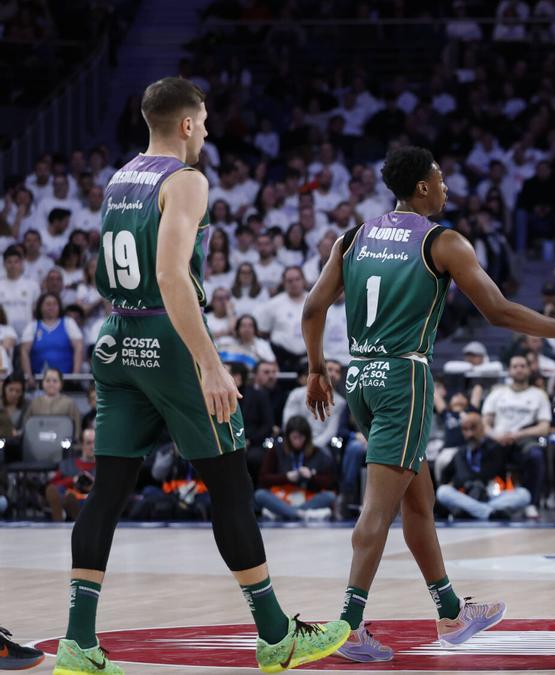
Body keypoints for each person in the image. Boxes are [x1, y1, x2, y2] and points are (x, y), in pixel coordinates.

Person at [55, 77, 349, 675]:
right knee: (231, 487)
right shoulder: (186, 180)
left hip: (117, 336)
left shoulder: (120, 179)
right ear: (187, 124)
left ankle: (77, 644)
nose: (209, 131)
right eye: (206, 121)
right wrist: (209, 363)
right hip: (169, 340)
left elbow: (105, 268)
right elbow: (169, 275)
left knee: (108, 490)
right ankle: (275, 637)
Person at [300, 145, 555, 662]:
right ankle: (349, 625)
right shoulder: (441, 241)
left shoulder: (353, 236)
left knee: (418, 500)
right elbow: (497, 312)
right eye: (441, 178)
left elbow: (313, 308)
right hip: (404, 376)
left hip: (359, 376)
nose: (447, 187)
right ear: (423, 186)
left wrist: (317, 369)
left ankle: (450, 611)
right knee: (378, 507)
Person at [480, 355, 552, 516]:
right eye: (515, 366)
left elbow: (544, 427)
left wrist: (518, 434)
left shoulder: (538, 395)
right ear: (509, 371)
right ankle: (487, 499)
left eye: (522, 366)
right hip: (498, 438)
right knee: (485, 451)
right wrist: (495, 435)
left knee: (536, 455)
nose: (519, 369)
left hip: (524, 438)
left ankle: (531, 502)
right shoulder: (498, 393)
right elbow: (484, 424)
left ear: (528, 369)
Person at [434, 412, 531, 519]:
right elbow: (445, 477)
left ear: (482, 428)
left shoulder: (495, 448)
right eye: (465, 430)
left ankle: (472, 511)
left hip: (490, 496)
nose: (470, 434)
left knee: (524, 494)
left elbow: (512, 466)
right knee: (442, 492)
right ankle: (489, 513)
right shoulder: (460, 453)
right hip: (466, 496)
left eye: (473, 428)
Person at [255, 416, 338, 521]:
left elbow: (330, 482)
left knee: (330, 496)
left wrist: (312, 476)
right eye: (294, 437)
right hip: (282, 496)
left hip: (306, 497)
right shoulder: (276, 450)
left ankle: (284, 512)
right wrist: (286, 477)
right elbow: (263, 478)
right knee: (260, 494)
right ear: (288, 436)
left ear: (307, 438)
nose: (298, 441)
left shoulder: (317, 452)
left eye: (301, 437)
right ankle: (300, 514)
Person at [44, 428, 96, 521]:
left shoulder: (103, 467)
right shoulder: (68, 465)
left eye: (95, 442)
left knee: (74, 500)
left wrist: (93, 484)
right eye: (89, 443)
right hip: (69, 496)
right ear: (81, 444)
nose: (93, 446)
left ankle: (66, 514)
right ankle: (61, 514)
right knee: (57, 491)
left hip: (91, 500)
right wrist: (73, 480)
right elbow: (54, 484)